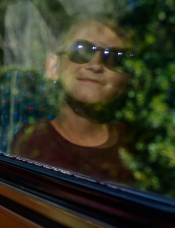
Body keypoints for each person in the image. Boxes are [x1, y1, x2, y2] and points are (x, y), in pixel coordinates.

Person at [11, 19, 135, 183]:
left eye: (113, 57)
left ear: (124, 80)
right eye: (81, 50)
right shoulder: (31, 141)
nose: (95, 64)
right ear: (53, 67)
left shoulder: (135, 144)